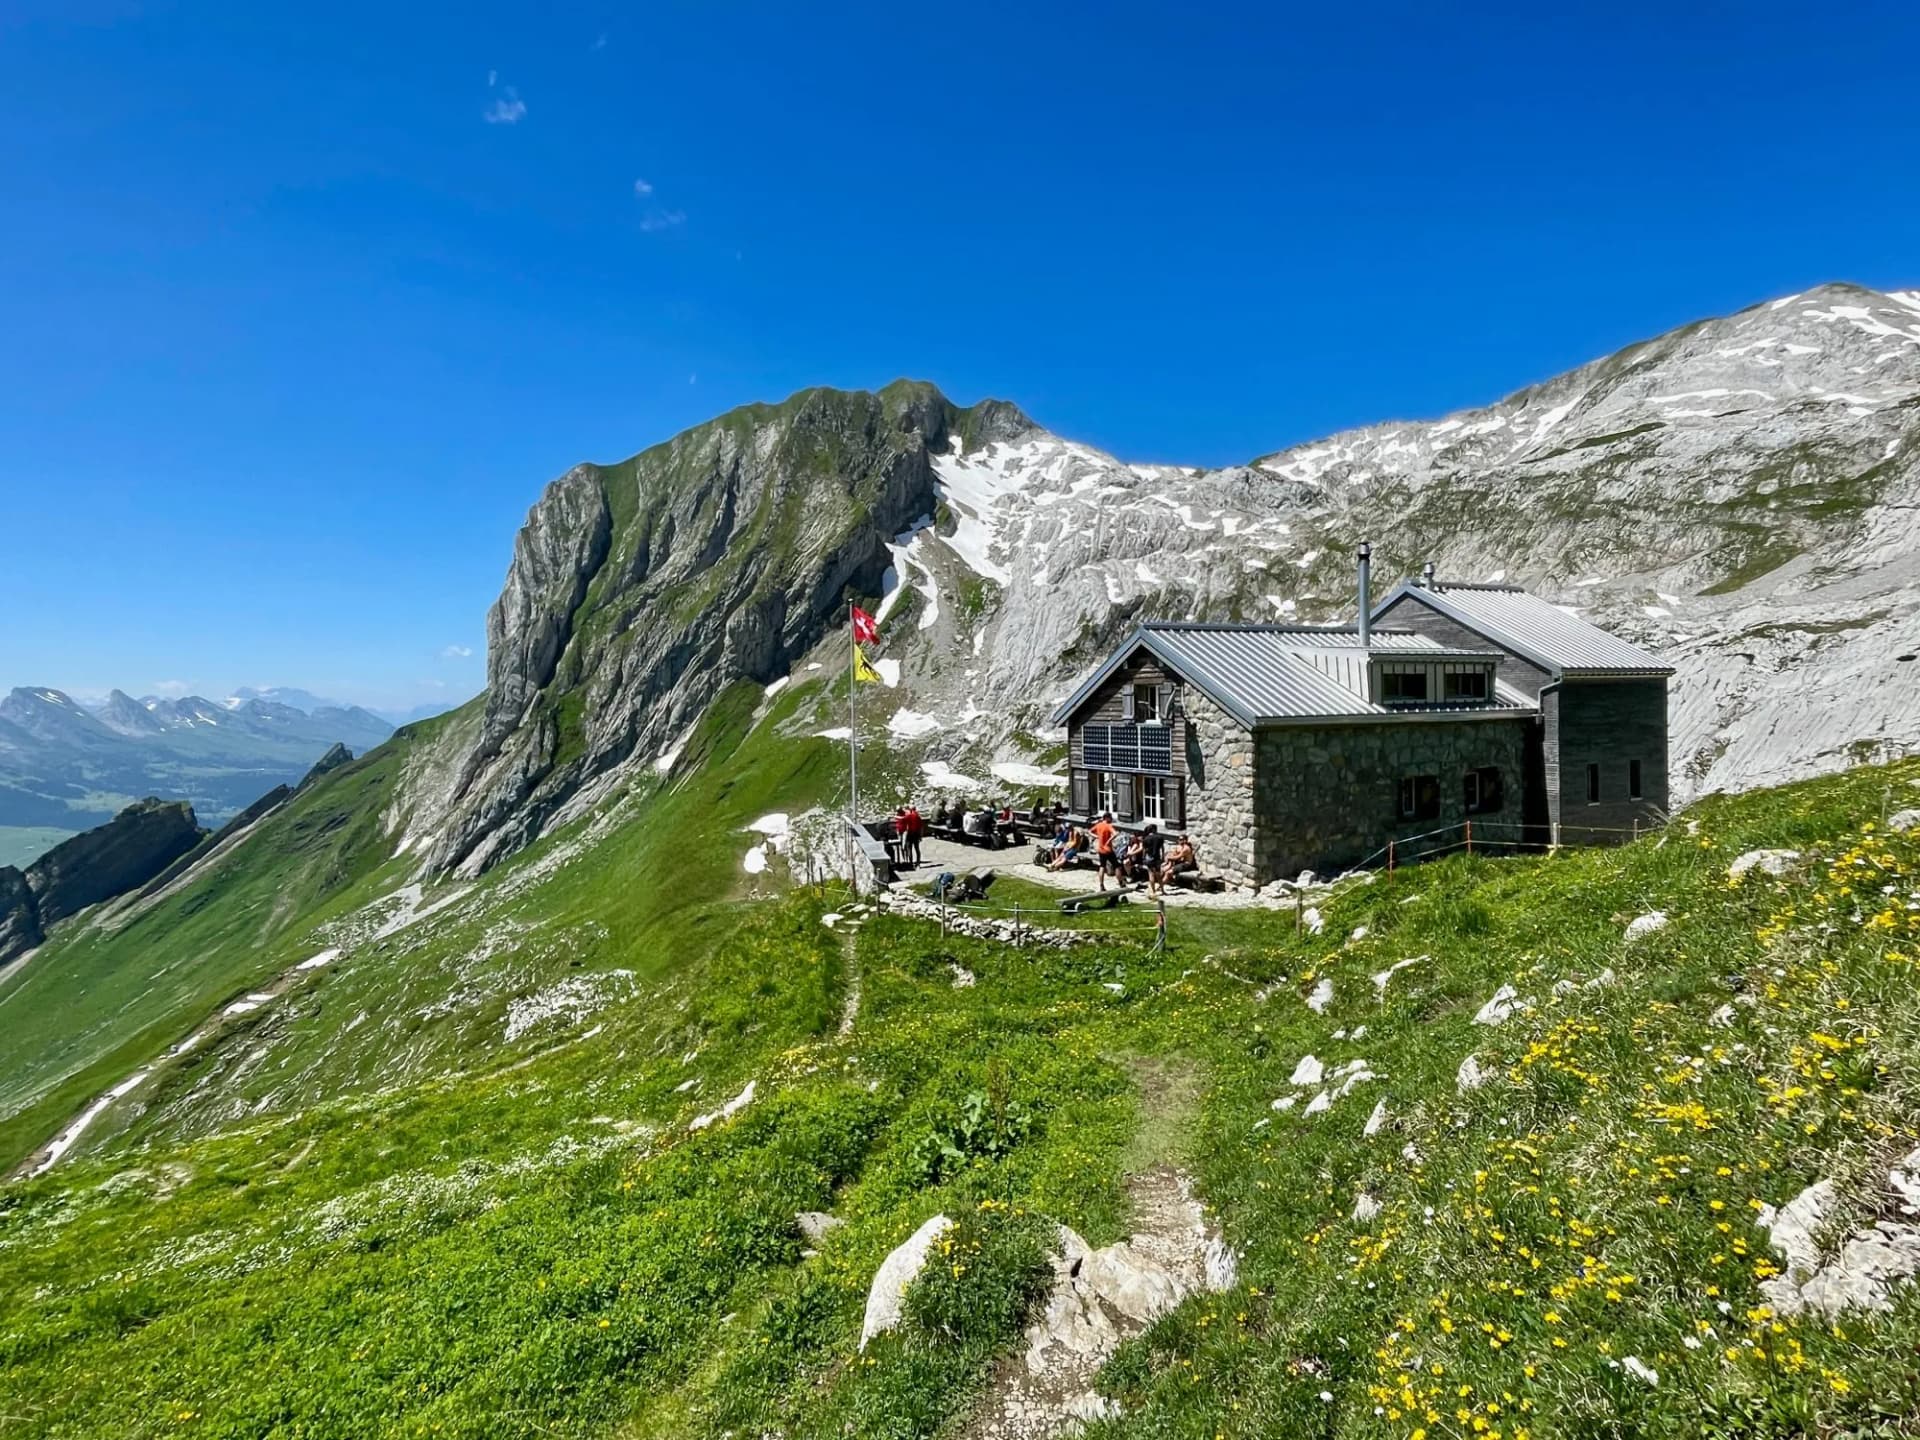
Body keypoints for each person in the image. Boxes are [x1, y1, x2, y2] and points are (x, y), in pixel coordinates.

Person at [1090, 811, 1119, 892]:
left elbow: (1089, 831)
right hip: (1108, 850)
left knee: (1102, 866)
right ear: (1107, 818)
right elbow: (1115, 834)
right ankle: (1121, 882)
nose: (1111, 820)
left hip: (1101, 849)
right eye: (1110, 818)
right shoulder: (1108, 826)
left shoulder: (1098, 825)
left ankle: (1101, 885)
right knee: (1117, 866)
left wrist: (1097, 836)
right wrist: (1110, 840)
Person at [1140, 823, 1167, 895]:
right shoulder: (1160, 837)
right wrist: (1163, 857)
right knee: (1158, 875)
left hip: (1149, 858)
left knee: (1151, 875)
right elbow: (1162, 848)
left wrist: (1143, 858)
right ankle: (1163, 890)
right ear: (1155, 829)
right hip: (1157, 858)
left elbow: (1144, 850)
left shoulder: (1145, 839)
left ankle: (1153, 891)